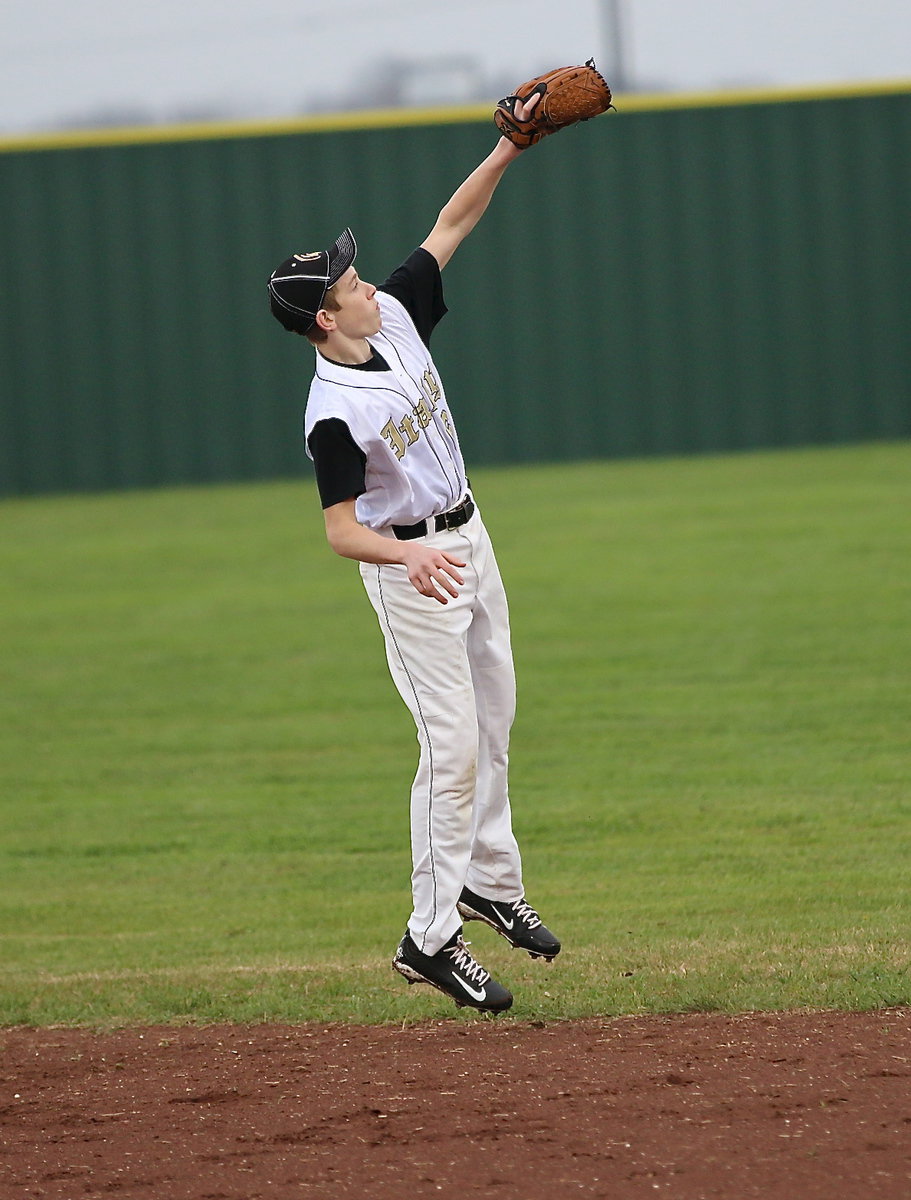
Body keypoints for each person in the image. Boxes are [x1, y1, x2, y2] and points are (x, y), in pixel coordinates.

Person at [267, 96, 559, 1014]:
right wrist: (405, 564)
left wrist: (510, 144)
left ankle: (489, 882)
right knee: (451, 747)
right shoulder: (332, 415)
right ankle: (430, 938)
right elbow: (339, 530)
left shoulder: (390, 318)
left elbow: (452, 221)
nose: (359, 281)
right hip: (410, 570)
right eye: (342, 283)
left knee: (496, 718)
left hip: (468, 535)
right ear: (323, 319)